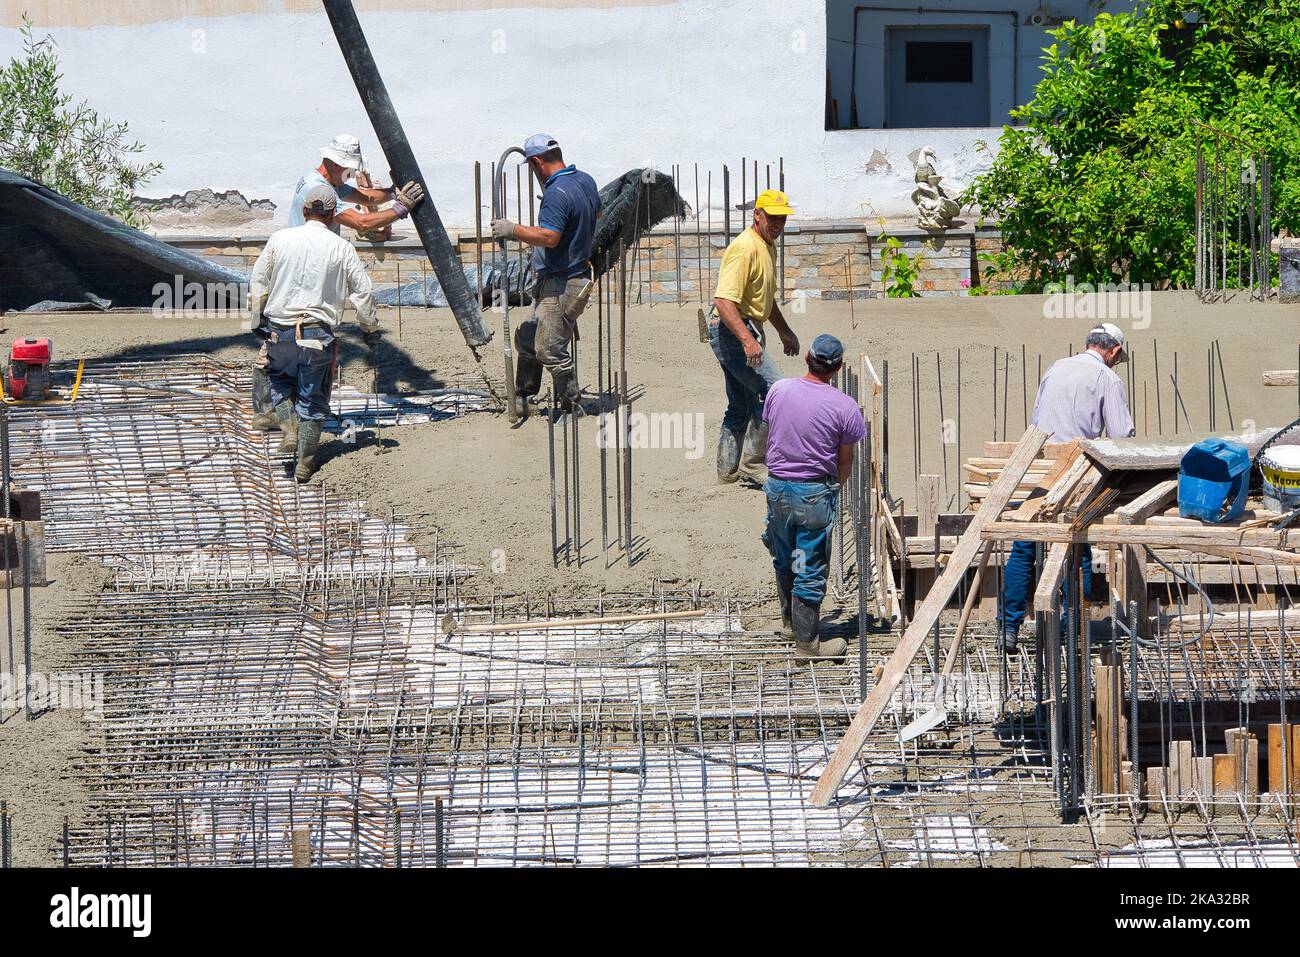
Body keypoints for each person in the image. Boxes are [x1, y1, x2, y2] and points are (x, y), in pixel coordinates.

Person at [252, 135, 423, 431]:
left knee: (286, 339)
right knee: (288, 343)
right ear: (333, 163)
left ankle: (277, 410)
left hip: (308, 264)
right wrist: (400, 209)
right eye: (347, 169)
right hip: (302, 266)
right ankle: (270, 412)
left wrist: (393, 192)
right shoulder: (316, 189)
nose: (350, 174)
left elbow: (367, 198)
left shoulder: (330, 185)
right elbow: (361, 222)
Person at [998, 323, 1137, 651]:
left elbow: (1037, 420)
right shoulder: (1107, 378)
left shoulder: (1055, 368)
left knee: (1025, 546)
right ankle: (1071, 626)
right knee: (1078, 547)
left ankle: (1008, 627)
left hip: (1041, 467)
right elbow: (1122, 438)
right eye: (1118, 358)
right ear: (1113, 351)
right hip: (1077, 472)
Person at [247, 184, 379, 483]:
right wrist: (369, 329)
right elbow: (363, 293)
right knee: (314, 396)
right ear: (333, 215)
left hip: (280, 331)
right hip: (318, 335)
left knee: (277, 377)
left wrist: (256, 319)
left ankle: (289, 428)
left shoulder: (280, 239)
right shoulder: (341, 247)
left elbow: (258, 281)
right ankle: (305, 463)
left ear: (305, 211)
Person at [762, 334, 866, 660]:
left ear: (807, 358)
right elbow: (844, 460)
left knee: (785, 555)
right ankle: (807, 644)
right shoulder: (845, 406)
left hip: (777, 488)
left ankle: (792, 624)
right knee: (810, 564)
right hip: (813, 493)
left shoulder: (778, 390)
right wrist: (833, 488)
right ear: (836, 369)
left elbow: (773, 430)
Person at [490, 134, 601, 418]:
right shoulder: (584, 180)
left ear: (537, 161)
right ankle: (524, 397)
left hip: (563, 284)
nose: (531, 170)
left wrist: (512, 229)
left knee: (549, 349)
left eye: (530, 166)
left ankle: (572, 406)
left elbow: (550, 237)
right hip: (566, 277)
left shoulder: (556, 193)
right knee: (527, 338)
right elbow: (598, 214)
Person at [709, 189, 801, 486]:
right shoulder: (745, 248)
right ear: (757, 215)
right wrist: (748, 340)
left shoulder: (767, 244)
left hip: (741, 326)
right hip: (732, 329)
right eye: (772, 217)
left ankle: (727, 471)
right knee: (775, 391)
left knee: (740, 403)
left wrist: (783, 330)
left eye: (782, 218)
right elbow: (724, 301)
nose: (777, 223)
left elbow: (765, 298)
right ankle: (753, 462)